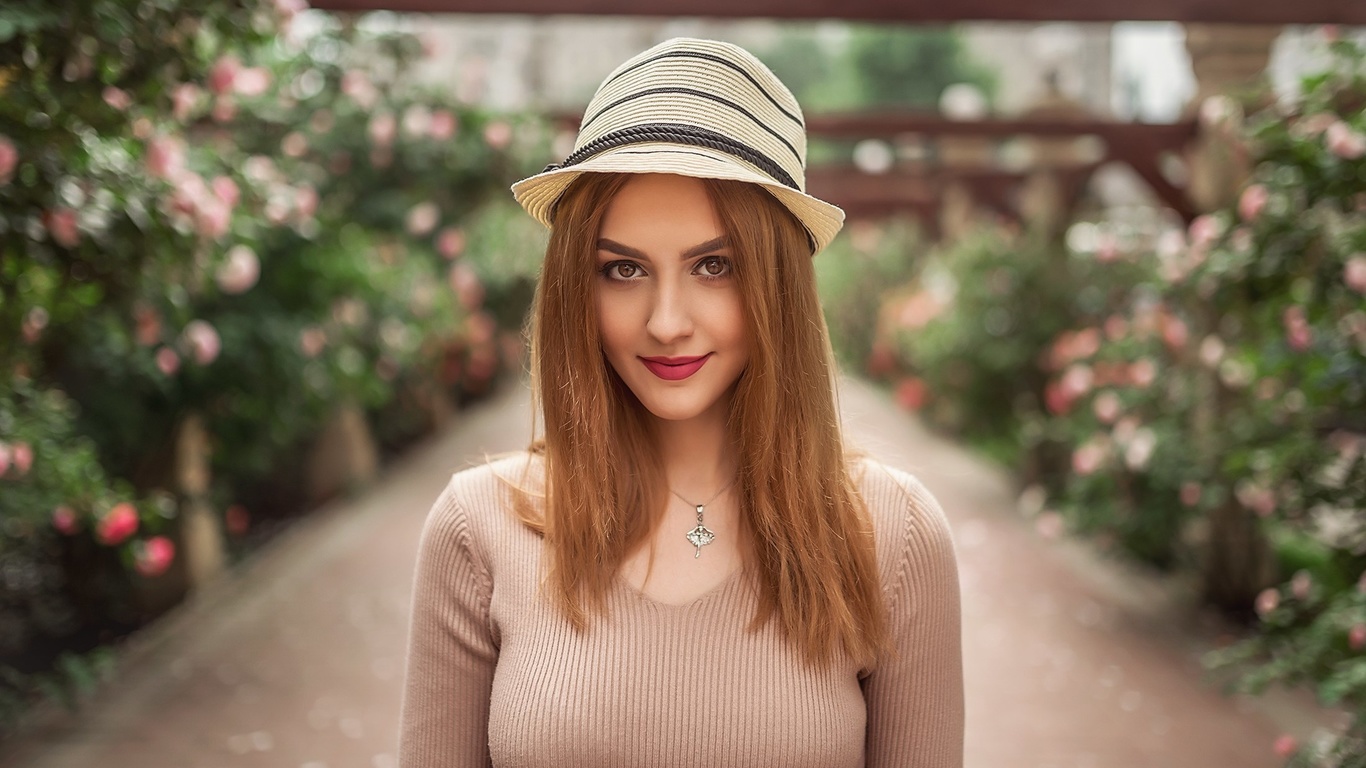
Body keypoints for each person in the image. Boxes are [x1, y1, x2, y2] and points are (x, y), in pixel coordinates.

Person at [398, 37, 963, 767]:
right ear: (578, 283)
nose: (666, 321)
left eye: (714, 265)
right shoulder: (477, 530)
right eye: (623, 269)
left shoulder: (894, 534)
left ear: (778, 281)